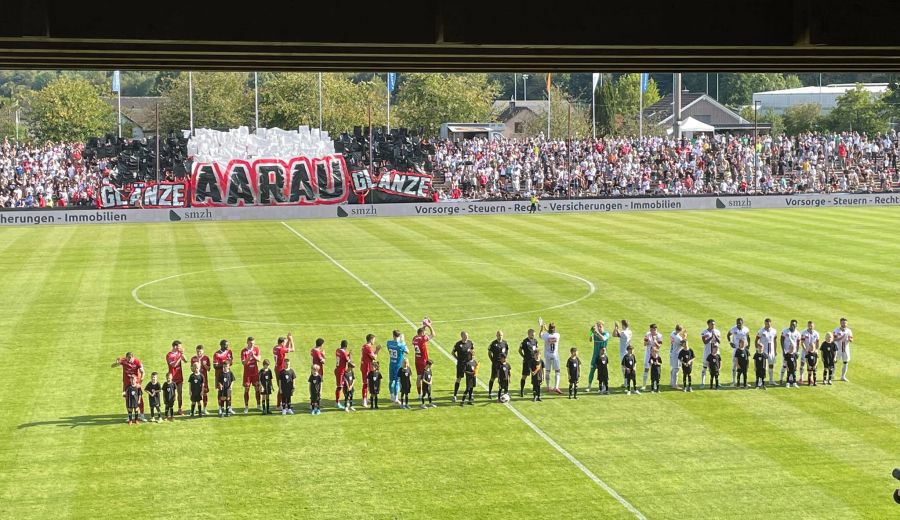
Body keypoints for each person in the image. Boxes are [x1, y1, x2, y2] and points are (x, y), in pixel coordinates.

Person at [112, 352, 145, 422]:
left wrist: (140, 382)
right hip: (127, 384)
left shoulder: (137, 362)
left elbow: (143, 372)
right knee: (127, 399)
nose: (129, 361)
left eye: (130, 359)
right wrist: (116, 363)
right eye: (127, 359)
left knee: (139, 398)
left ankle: (142, 415)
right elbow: (112, 366)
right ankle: (130, 416)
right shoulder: (123, 360)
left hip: (136, 384)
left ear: (133, 357)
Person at [413, 319, 436, 400]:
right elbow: (433, 334)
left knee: (419, 377)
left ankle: (419, 394)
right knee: (426, 377)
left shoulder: (414, 338)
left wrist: (424, 326)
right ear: (422, 333)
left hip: (417, 360)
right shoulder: (422, 339)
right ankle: (426, 394)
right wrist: (429, 326)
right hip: (423, 361)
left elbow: (420, 332)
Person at [272, 334, 294, 411]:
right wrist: (291, 340)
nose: (285, 343)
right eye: (284, 342)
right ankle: (279, 405)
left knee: (281, 387)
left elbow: (285, 348)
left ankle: (282, 403)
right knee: (281, 387)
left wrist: (287, 340)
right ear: (282, 343)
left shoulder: (276, 347)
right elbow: (292, 349)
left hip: (277, 368)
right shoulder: (281, 349)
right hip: (280, 370)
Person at [539, 321, 562, 394]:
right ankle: (556, 387)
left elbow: (540, 335)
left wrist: (542, 328)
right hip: (555, 355)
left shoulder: (546, 336)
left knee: (547, 371)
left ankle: (548, 386)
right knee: (557, 371)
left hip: (547, 355)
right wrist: (546, 329)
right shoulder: (557, 335)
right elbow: (552, 332)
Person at [165, 340, 188, 415]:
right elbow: (173, 365)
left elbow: (186, 360)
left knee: (180, 393)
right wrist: (179, 357)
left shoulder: (179, 353)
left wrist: (182, 354)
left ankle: (180, 409)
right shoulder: (169, 355)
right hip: (172, 378)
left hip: (179, 377)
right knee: (171, 395)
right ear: (175, 346)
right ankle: (169, 409)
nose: (180, 347)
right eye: (179, 346)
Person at [386, 330, 409, 403]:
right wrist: (403, 341)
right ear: (399, 336)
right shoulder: (401, 345)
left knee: (391, 380)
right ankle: (396, 398)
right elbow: (407, 351)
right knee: (397, 381)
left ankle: (392, 396)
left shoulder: (388, 343)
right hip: (398, 366)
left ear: (393, 335)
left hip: (391, 364)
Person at [587, 321, 610, 391]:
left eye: (600, 326)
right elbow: (590, 339)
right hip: (595, 355)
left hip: (603, 356)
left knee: (603, 371)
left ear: (603, 326)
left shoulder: (606, 333)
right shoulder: (595, 334)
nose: (599, 328)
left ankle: (603, 386)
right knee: (592, 370)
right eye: (598, 326)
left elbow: (603, 338)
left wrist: (596, 333)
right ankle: (589, 386)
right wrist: (591, 332)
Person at [452, 331, 474, 403]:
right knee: (459, 378)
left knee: (470, 379)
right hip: (461, 364)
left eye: (467, 335)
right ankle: (455, 395)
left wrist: (472, 359)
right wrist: (457, 358)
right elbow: (453, 352)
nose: (467, 337)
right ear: (462, 336)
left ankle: (470, 395)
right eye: (465, 335)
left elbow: (472, 351)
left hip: (468, 364)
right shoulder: (458, 344)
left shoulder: (470, 343)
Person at [727, 318, 750, 386]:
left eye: (740, 323)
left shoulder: (746, 329)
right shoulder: (733, 329)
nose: (738, 324)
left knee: (745, 365)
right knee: (734, 365)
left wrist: (748, 346)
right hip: (736, 349)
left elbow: (748, 337)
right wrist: (730, 342)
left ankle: (745, 382)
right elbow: (728, 335)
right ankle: (734, 381)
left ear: (742, 322)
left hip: (744, 349)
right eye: (737, 323)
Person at [360, 333, 381, 408]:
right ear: (371, 339)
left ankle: (365, 398)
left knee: (368, 383)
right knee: (366, 384)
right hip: (366, 367)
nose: (374, 341)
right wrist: (377, 350)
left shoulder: (364, 346)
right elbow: (374, 357)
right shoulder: (368, 348)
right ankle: (364, 401)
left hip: (365, 366)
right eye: (374, 339)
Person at [213, 340, 234, 414]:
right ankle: (220, 408)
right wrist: (224, 365)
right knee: (220, 392)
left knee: (229, 391)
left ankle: (229, 407)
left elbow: (231, 362)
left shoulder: (229, 352)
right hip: (219, 376)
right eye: (225, 345)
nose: (227, 346)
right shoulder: (217, 354)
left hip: (227, 375)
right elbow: (215, 366)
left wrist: (228, 364)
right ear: (221, 345)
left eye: (227, 345)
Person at [487, 330, 509, 399]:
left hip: (503, 364)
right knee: (493, 378)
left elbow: (507, 350)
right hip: (496, 364)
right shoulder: (493, 344)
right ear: (496, 335)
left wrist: (505, 359)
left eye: (501, 335)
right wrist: (492, 360)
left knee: (504, 378)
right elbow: (489, 353)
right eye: (499, 335)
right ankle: (490, 392)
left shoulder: (505, 343)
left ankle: (505, 392)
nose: (500, 336)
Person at [190, 345, 211, 415]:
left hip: (203, 379)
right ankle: (195, 409)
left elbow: (209, 369)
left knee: (204, 393)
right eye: (198, 351)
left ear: (203, 351)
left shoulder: (206, 358)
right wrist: (195, 366)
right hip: (195, 380)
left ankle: (204, 409)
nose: (199, 352)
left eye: (200, 351)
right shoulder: (193, 359)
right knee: (195, 393)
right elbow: (191, 369)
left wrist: (204, 365)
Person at [756, 318, 778, 385]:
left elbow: (775, 340)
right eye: (766, 323)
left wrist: (775, 350)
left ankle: (771, 380)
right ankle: (761, 381)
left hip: (771, 351)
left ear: (770, 323)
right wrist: (757, 349)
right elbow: (756, 340)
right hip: (763, 351)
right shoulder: (761, 331)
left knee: (771, 365)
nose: (767, 325)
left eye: (768, 323)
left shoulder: (774, 331)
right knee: (763, 367)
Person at [700, 319, 721, 389]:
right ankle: (702, 383)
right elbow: (705, 342)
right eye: (712, 324)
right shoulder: (704, 332)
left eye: (714, 324)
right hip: (707, 352)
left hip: (716, 352)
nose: (713, 325)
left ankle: (717, 382)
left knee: (716, 367)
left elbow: (719, 341)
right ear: (708, 324)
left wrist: (715, 336)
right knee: (705, 367)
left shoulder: (717, 331)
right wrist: (711, 337)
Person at [641, 324, 663, 391]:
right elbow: (644, 344)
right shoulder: (647, 334)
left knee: (656, 370)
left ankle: (655, 386)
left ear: (654, 329)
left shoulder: (659, 336)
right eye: (650, 330)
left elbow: (659, 346)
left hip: (655, 355)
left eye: (651, 330)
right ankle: (644, 385)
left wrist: (655, 341)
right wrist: (648, 342)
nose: (650, 331)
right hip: (648, 354)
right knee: (646, 369)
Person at [780, 320, 801, 386]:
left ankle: (792, 380)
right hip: (786, 351)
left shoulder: (798, 333)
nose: (792, 326)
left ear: (796, 325)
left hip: (793, 352)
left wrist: (797, 352)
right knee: (785, 365)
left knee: (793, 366)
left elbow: (798, 343)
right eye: (791, 324)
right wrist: (783, 350)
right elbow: (782, 340)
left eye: (794, 325)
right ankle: (781, 379)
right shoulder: (785, 331)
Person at [518, 329, 538, 397]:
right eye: (532, 334)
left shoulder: (535, 341)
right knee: (524, 376)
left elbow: (536, 350)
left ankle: (534, 391)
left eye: (534, 335)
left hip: (533, 361)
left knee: (535, 376)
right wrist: (523, 356)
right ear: (529, 334)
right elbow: (520, 350)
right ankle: (521, 390)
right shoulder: (524, 342)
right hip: (527, 361)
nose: (533, 336)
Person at [833, 317, 854, 382]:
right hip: (837, 349)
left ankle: (843, 376)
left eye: (845, 323)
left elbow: (851, 339)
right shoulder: (836, 330)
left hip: (845, 349)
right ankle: (832, 375)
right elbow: (833, 339)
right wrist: (841, 338)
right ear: (840, 323)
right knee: (834, 362)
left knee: (845, 362)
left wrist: (849, 339)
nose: (844, 324)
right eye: (843, 323)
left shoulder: (849, 331)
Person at [613, 320, 633, 385]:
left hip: (623, 352)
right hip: (628, 351)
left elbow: (614, 335)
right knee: (627, 367)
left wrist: (616, 327)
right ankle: (626, 382)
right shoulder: (630, 331)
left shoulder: (623, 333)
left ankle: (627, 383)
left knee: (624, 368)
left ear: (623, 325)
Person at [334, 339, 351, 409]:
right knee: (339, 386)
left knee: (344, 385)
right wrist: (349, 355)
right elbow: (348, 360)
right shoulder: (344, 353)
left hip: (338, 370)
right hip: (341, 371)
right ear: (346, 346)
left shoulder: (337, 350)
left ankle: (346, 399)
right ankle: (337, 402)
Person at [669, 325, 685, 389]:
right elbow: (683, 344)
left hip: (672, 352)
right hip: (676, 354)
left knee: (673, 368)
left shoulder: (672, 333)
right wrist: (685, 337)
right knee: (676, 369)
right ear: (680, 330)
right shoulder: (678, 338)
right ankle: (674, 385)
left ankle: (671, 382)